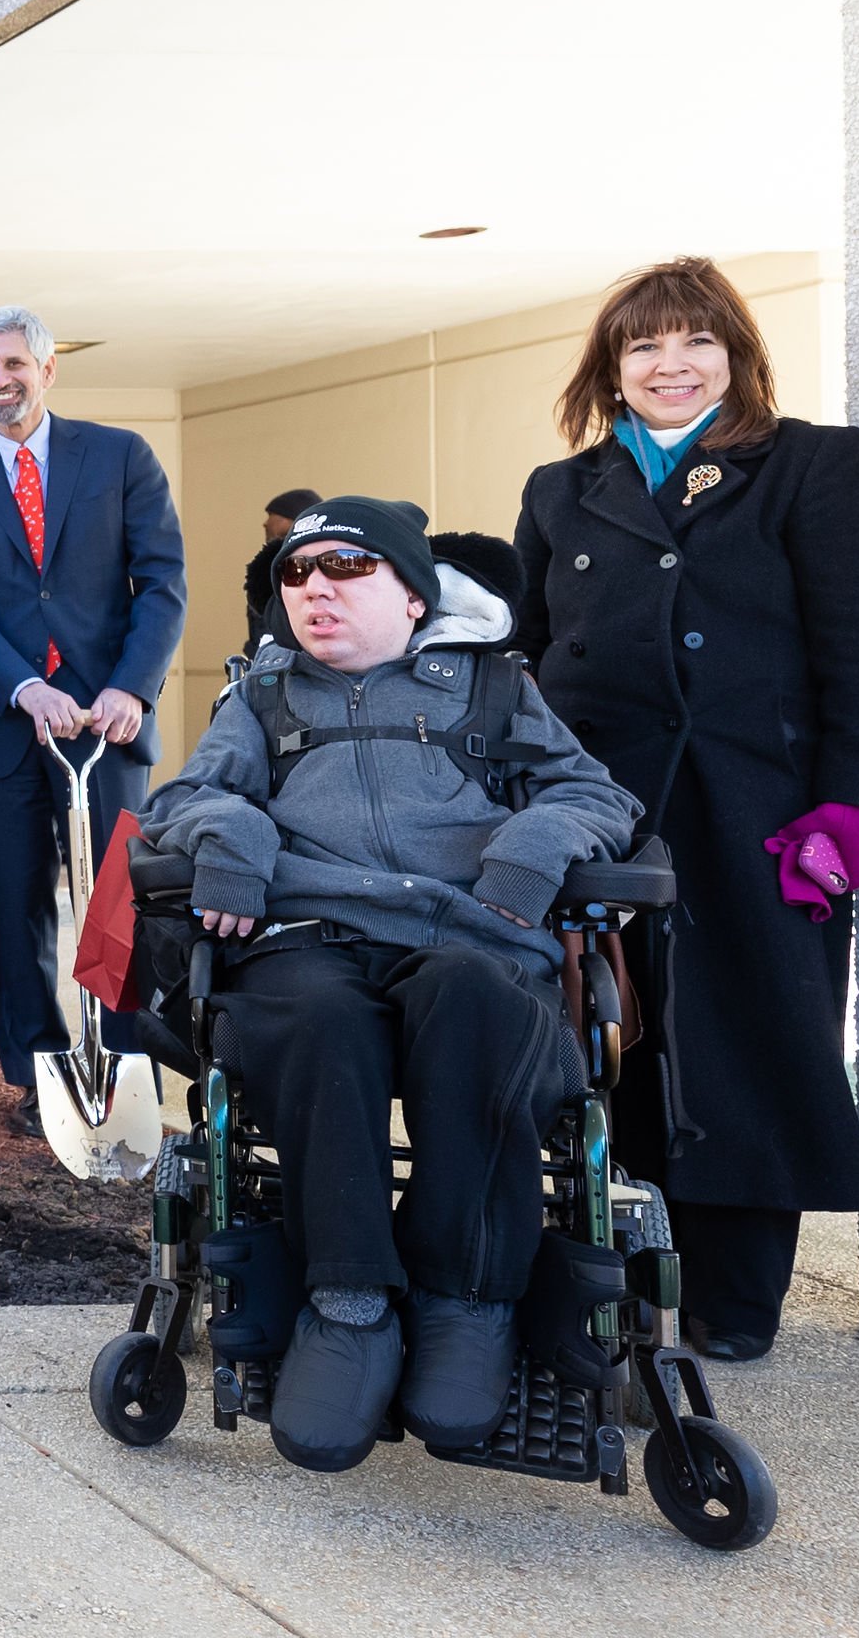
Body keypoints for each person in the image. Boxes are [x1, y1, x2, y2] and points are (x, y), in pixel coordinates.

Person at [144, 499, 638, 1472]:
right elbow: (184, 801)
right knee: (319, 1019)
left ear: (412, 595)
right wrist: (231, 839)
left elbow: (595, 795)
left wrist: (526, 861)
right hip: (308, 938)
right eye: (296, 574)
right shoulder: (262, 698)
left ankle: (467, 1304)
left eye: (345, 569)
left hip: (473, 935)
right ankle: (351, 1308)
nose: (314, 589)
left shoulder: (492, 690)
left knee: (474, 1003)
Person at [514, 257, 859, 1361]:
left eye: (696, 340)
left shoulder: (815, 469)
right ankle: (620, 1283)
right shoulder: (563, 491)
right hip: (598, 815)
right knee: (606, 1042)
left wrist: (855, 813)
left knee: (749, 1045)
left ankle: (732, 1305)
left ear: (737, 353)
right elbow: (532, 654)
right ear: (612, 369)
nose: (670, 363)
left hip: (756, 815)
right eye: (643, 345)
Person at [0, 304, 188, 1135]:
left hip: (107, 721)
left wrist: (131, 689)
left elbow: (163, 582)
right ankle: (41, 1073)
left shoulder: (119, 456)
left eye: (12, 365)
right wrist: (24, 687)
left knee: (115, 903)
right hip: (5, 723)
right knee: (14, 901)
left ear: (47, 368)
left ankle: (119, 1065)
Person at [247, 489, 323, 650]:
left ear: (293, 520)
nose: (265, 523)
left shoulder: (301, 571)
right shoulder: (264, 570)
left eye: (273, 515)